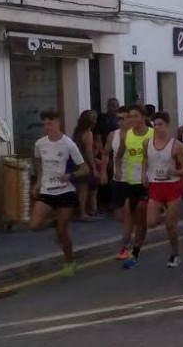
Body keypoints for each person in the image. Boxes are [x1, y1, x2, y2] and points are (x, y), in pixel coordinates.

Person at [31, 110, 89, 277]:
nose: (46, 127)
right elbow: (39, 164)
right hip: (46, 191)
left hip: (65, 192)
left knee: (63, 232)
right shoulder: (39, 144)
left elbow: (85, 169)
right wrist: (38, 181)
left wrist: (70, 175)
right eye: (44, 125)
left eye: (49, 124)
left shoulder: (68, 144)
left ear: (58, 123)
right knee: (34, 225)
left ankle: (70, 261)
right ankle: (53, 224)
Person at [142, 112, 183, 268]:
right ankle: (168, 215)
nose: (157, 128)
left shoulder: (176, 145)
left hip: (172, 186)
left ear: (167, 125)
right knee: (151, 222)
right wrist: (144, 175)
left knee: (170, 226)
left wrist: (175, 172)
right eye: (155, 125)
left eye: (160, 124)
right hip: (155, 185)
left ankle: (175, 253)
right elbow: (145, 160)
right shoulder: (147, 143)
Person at [116, 104, 154, 269]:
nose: (132, 119)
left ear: (143, 117)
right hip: (131, 182)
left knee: (141, 211)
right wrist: (118, 171)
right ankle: (131, 247)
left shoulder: (153, 134)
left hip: (148, 182)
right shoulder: (127, 135)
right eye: (130, 116)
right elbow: (118, 156)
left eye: (135, 116)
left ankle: (135, 251)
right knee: (137, 219)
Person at [102, 106, 134, 260]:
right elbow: (106, 153)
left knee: (128, 213)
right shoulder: (112, 135)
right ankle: (132, 230)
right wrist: (103, 171)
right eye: (119, 118)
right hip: (117, 179)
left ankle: (124, 247)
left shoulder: (138, 135)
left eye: (125, 118)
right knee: (120, 215)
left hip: (134, 179)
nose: (121, 121)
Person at [72, 110, 101, 222]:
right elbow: (89, 152)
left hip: (77, 162)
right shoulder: (88, 134)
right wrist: (94, 168)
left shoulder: (77, 132)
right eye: (95, 118)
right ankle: (83, 212)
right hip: (85, 163)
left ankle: (87, 211)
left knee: (82, 188)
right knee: (84, 189)